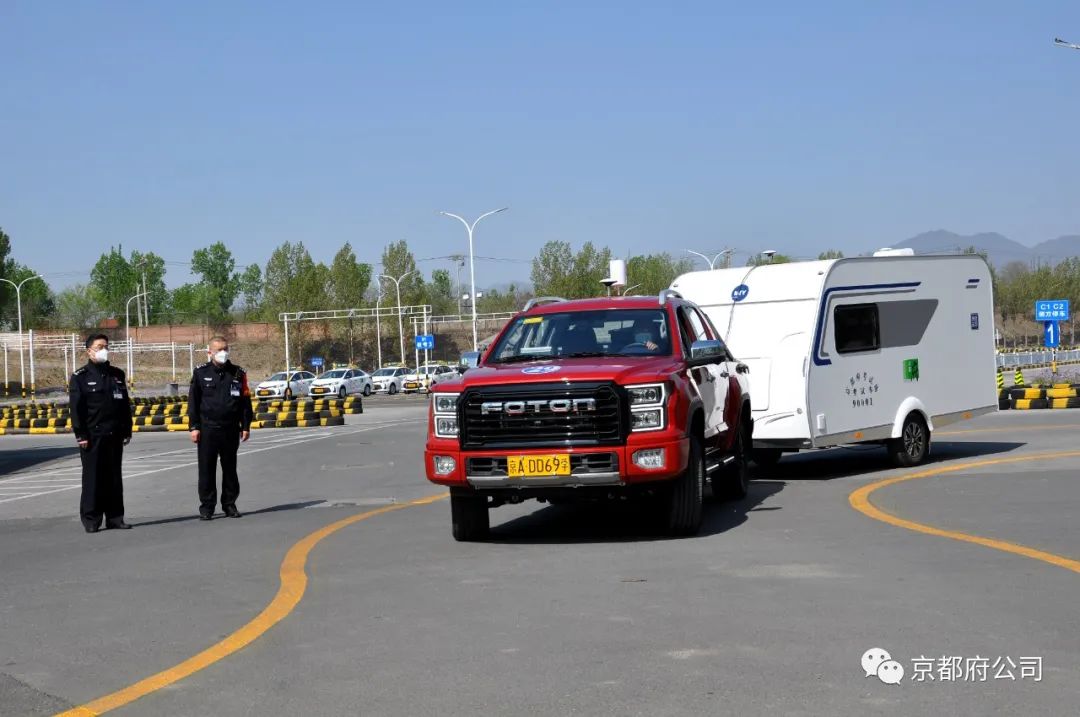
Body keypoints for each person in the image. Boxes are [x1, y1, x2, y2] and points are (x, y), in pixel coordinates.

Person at [69, 334, 133, 533]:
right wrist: (81, 435)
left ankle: (115, 517)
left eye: (106, 346)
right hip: (92, 436)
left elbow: (124, 405)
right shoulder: (80, 377)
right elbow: (76, 409)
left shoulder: (117, 374)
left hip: (114, 433)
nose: (104, 349)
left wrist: (127, 430)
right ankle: (91, 519)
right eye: (100, 346)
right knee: (93, 478)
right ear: (89, 351)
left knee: (114, 478)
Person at [188, 336, 253, 520]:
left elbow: (245, 402)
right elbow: (193, 402)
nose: (223, 353)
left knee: (230, 469)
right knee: (206, 470)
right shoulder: (201, 373)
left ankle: (229, 504)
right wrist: (194, 427)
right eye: (218, 350)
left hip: (230, 429)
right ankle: (207, 507)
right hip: (208, 429)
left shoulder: (238, 373)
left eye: (225, 349)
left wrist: (246, 425)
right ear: (210, 352)